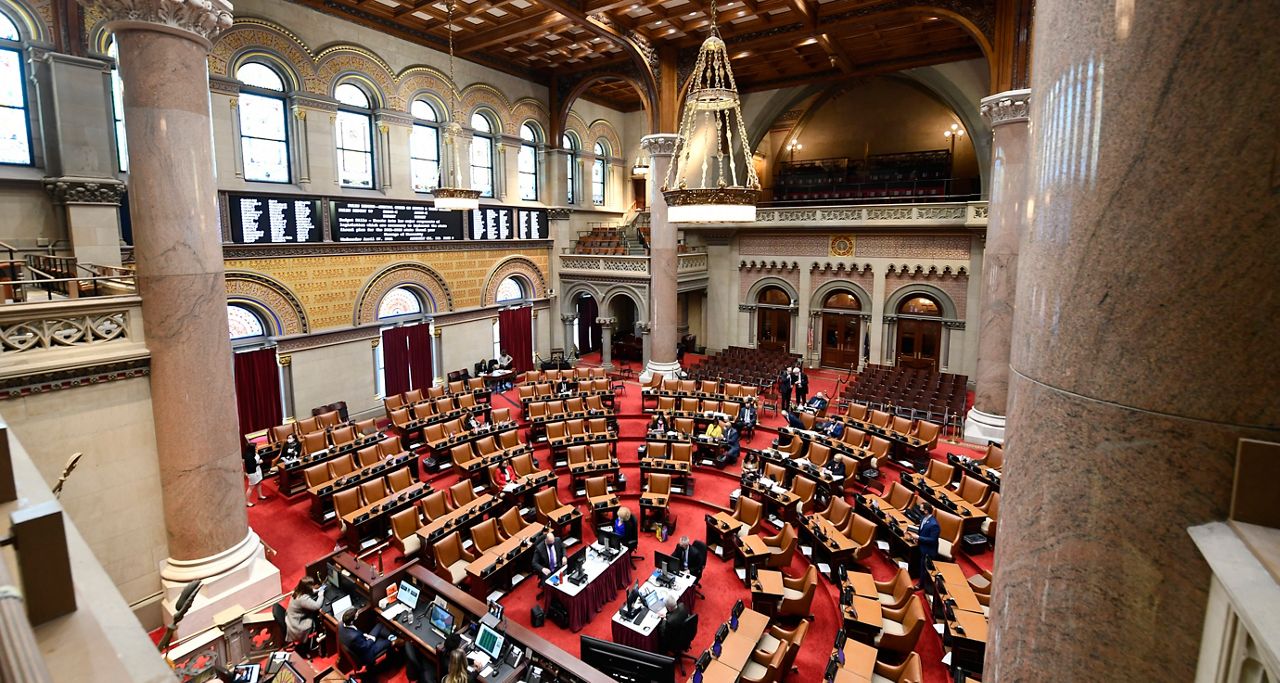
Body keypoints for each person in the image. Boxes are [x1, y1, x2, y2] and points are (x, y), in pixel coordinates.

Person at [284, 577, 322, 646]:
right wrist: (321, 595)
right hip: (297, 624)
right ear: (307, 588)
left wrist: (316, 590)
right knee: (319, 619)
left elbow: (308, 592)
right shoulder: (302, 599)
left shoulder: (297, 591)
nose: (313, 586)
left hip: (291, 619)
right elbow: (317, 606)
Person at [915, 502, 940, 587]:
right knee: (919, 564)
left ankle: (921, 584)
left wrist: (919, 538)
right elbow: (921, 530)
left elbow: (933, 540)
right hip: (921, 545)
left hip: (928, 549)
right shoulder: (923, 518)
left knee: (924, 567)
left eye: (921, 509)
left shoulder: (934, 524)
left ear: (926, 511)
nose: (919, 509)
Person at [242, 438, 267, 507]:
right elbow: (251, 466)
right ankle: (247, 502)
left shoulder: (253, 453)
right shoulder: (249, 456)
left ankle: (260, 495)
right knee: (251, 487)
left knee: (259, 483)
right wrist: (259, 463)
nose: (257, 448)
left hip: (258, 470)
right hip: (252, 472)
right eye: (256, 447)